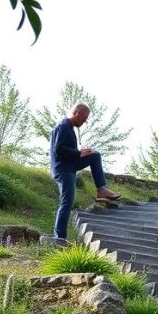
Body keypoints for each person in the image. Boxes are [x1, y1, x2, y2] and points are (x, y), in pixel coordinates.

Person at [45, 103, 121, 244]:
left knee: (94, 155)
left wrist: (81, 153)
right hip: (63, 169)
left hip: (69, 166)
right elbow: (59, 150)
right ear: (77, 112)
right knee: (67, 202)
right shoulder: (63, 126)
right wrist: (78, 153)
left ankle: (101, 189)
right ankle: (59, 237)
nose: (85, 121)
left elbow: (65, 151)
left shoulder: (69, 128)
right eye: (84, 118)